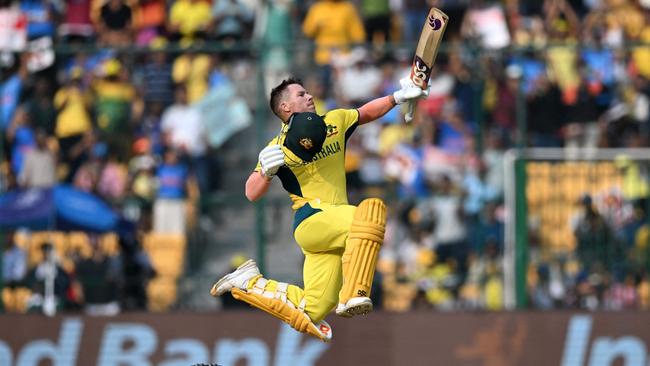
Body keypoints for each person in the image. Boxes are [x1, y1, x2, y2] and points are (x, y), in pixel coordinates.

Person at [210, 77, 427, 342]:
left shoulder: (333, 121)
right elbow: (250, 192)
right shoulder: (276, 147)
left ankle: (248, 283)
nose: (309, 96)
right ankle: (353, 294)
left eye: (308, 92)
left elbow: (365, 113)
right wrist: (265, 173)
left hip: (333, 229)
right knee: (369, 213)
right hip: (312, 219)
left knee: (312, 310)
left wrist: (397, 97)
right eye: (301, 94)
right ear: (286, 108)